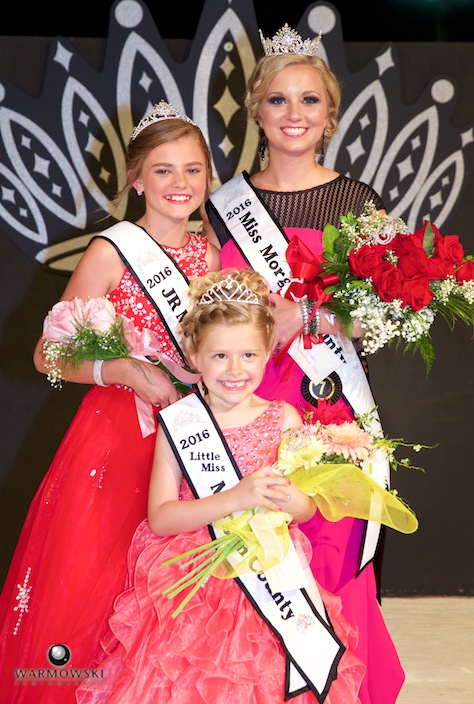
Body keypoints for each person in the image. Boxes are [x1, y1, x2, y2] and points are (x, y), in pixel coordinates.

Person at [203, 25, 403, 704]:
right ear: (256, 112)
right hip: (243, 404)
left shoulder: (356, 201)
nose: (294, 115)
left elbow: (387, 310)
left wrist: (308, 317)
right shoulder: (223, 208)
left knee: (331, 546)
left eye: (309, 101)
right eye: (280, 101)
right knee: (253, 551)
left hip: (327, 400)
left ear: (330, 114)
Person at [0, 101, 220, 703]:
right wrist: (118, 367)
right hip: (117, 437)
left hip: (190, 438)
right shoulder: (111, 252)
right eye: (164, 169)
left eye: (194, 170)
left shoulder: (211, 256)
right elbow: (47, 355)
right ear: (136, 178)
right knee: (96, 581)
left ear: (209, 178)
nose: (180, 184)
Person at [76, 268, 366, 704]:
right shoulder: (178, 423)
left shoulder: (284, 418)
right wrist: (235, 498)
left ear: (268, 351)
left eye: (249, 355)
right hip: (191, 581)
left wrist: (296, 501)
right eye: (220, 356)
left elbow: (305, 509)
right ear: (193, 354)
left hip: (273, 574)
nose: (235, 370)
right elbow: (161, 516)